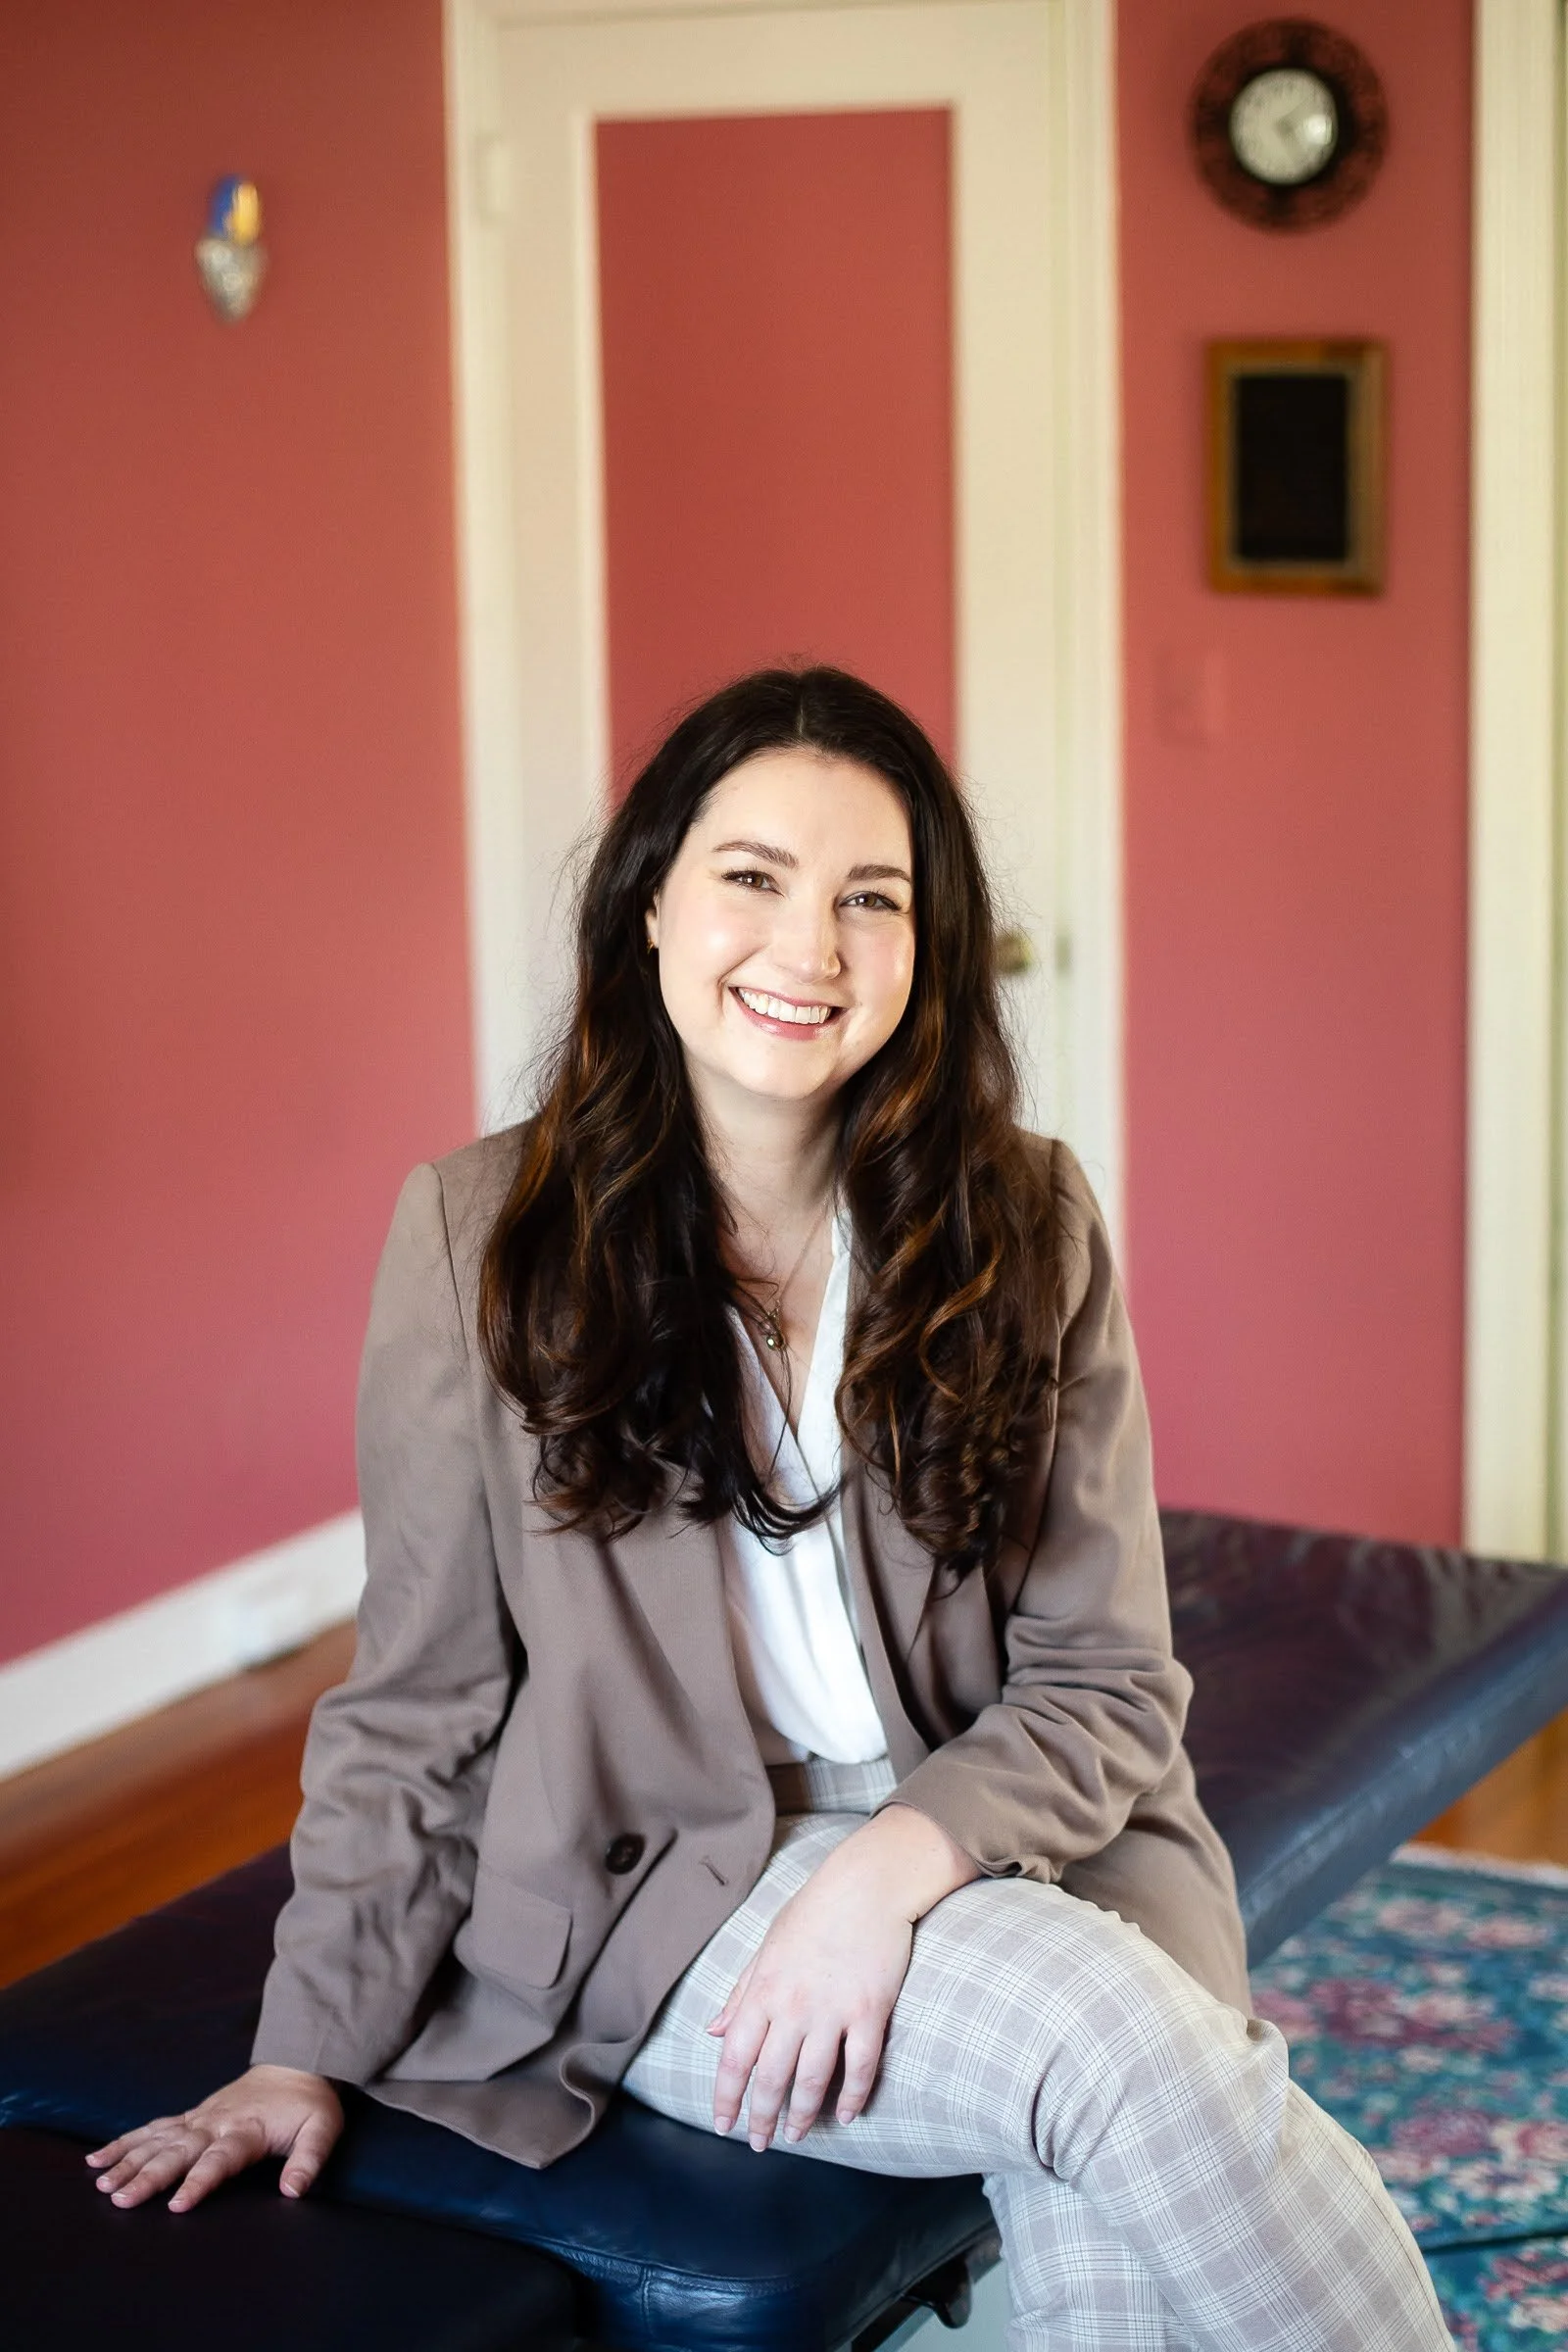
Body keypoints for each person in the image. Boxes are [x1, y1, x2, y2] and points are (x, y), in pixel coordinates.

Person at [86, 668, 1451, 2349]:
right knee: (1112, 2043)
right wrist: (300, 2044)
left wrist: (883, 1872)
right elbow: (421, 1702)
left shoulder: (1023, 1219)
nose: (807, 948)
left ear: (925, 952)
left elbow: (1107, 1681)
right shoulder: (477, 1237)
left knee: (1107, 2166)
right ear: (651, 900)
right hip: (656, 1890)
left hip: (997, 1831)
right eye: (752, 877)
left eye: (869, 900)